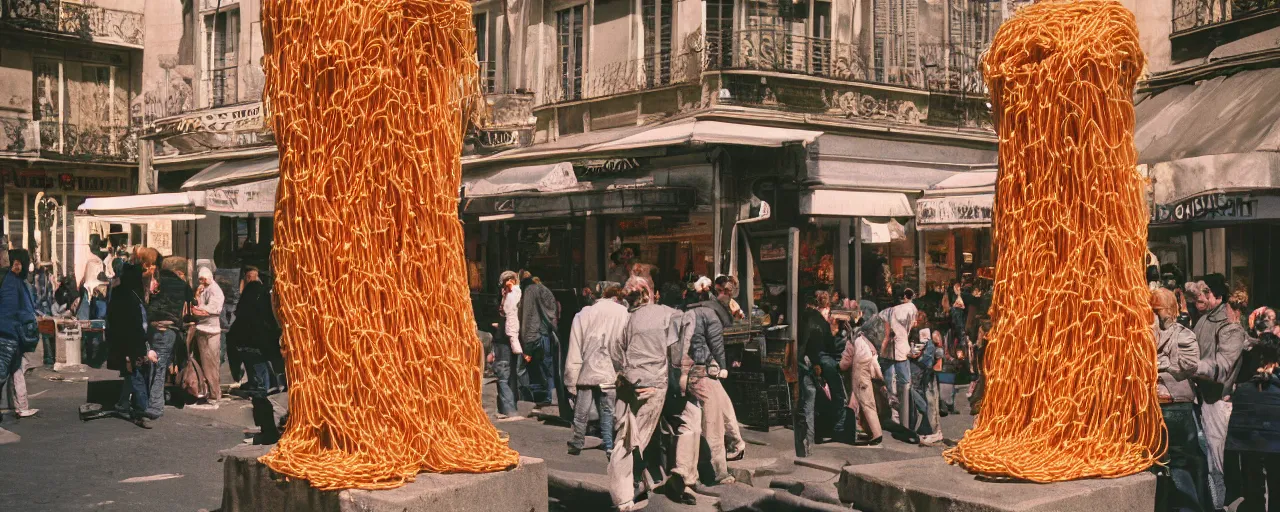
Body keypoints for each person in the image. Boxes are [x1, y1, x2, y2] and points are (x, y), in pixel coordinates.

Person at [608, 276, 684, 512]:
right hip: (653, 383)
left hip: (630, 383)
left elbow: (615, 349)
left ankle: (644, 482)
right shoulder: (669, 316)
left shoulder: (630, 318)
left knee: (632, 434)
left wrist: (626, 372)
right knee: (630, 440)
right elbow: (676, 355)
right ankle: (623, 497)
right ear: (652, 293)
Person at [673, 278, 739, 490]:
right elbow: (716, 343)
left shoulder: (686, 311)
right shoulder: (711, 315)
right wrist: (722, 366)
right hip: (699, 371)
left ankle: (690, 473)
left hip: (684, 371)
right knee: (712, 424)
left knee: (693, 423)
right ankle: (715, 471)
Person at [1150, 288, 1210, 512]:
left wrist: (1157, 367)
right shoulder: (1171, 333)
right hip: (1166, 404)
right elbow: (1189, 365)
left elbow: (1188, 364)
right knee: (1173, 463)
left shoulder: (1177, 334)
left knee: (1173, 462)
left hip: (1168, 404)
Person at [1191, 274, 1246, 510]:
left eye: (1204, 293)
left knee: (1218, 459)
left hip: (1217, 401)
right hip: (1202, 398)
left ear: (1217, 296)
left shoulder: (1229, 327)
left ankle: (1223, 505)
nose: (1198, 297)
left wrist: (1190, 367)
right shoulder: (1204, 319)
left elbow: (1223, 367)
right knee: (1208, 457)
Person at [564, 284, 628, 456]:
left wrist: (571, 380)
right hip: (610, 369)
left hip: (588, 369)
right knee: (608, 410)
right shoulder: (622, 313)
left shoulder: (583, 314)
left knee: (581, 408)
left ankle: (577, 441)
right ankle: (608, 444)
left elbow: (575, 348)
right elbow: (623, 343)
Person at [227, 268, 285, 444]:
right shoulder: (263, 306)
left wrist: (236, 369)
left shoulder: (243, 316)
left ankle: (266, 427)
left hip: (247, 349)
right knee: (266, 390)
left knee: (260, 389)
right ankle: (270, 429)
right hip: (261, 349)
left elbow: (232, 341)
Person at [1226, 332, 1280, 512]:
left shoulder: (1243, 390)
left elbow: (1237, 427)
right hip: (1276, 446)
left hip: (1249, 445)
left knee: (1253, 485)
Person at [106, 254, 155, 428]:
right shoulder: (128, 295)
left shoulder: (127, 293)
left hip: (132, 342)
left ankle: (123, 404)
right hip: (130, 343)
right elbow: (125, 324)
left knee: (133, 375)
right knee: (136, 375)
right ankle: (141, 411)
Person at [144, 255, 193, 420]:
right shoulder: (182, 285)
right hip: (170, 328)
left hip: (152, 326)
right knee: (160, 366)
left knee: (151, 364)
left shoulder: (156, 281)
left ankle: (148, 401)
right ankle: (155, 405)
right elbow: (192, 303)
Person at [0, 249, 38, 420]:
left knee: (16, 369)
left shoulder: (15, 281)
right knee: (3, 372)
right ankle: (21, 407)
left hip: (12, 333)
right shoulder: (11, 282)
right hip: (8, 333)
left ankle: (22, 406)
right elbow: (11, 310)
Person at [795, 289, 832, 457]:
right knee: (813, 403)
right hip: (819, 364)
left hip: (807, 364)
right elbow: (830, 345)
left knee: (807, 405)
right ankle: (813, 438)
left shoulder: (803, 319)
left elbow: (802, 344)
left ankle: (807, 444)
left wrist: (800, 360)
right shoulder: (822, 322)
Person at [840, 311, 883, 445]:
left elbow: (845, 362)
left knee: (867, 404)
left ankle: (877, 435)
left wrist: (838, 366)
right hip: (866, 375)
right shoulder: (866, 340)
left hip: (860, 376)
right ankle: (870, 432)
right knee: (867, 404)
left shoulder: (853, 340)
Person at [520, 271, 560, 408]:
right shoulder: (543, 290)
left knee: (530, 366)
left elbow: (528, 315)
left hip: (537, 335)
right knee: (548, 367)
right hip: (546, 334)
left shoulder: (530, 291)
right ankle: (551, 396)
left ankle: (530, 397)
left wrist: (526, 340)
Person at [881, 289, 918, 425]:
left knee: (893, 384)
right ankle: (905, 416)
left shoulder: (890, 311)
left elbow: (886, 332)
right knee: (904, 384)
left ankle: (898, 416)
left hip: (893, 351)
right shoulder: (912, 309)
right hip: (900, 350)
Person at [490, 270, 523, 420]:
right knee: (508, 374)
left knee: (503, 374)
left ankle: (509, 408)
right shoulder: (511, 295)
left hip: (505, 340)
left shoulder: (511, 295)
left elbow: (511, 319)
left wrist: (511, 337)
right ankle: (506, 408)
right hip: (507, 339)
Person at [189, 267, 225, 402]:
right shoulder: (205, 289)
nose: (201, 282)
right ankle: (208, 390)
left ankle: (215, 392)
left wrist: (199, 309)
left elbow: (214, 309)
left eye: (203, 279)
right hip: (203, 328)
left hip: (211, 330)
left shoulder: (215, 290)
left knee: (211, 363)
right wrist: (198, 297)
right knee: (204, 363)